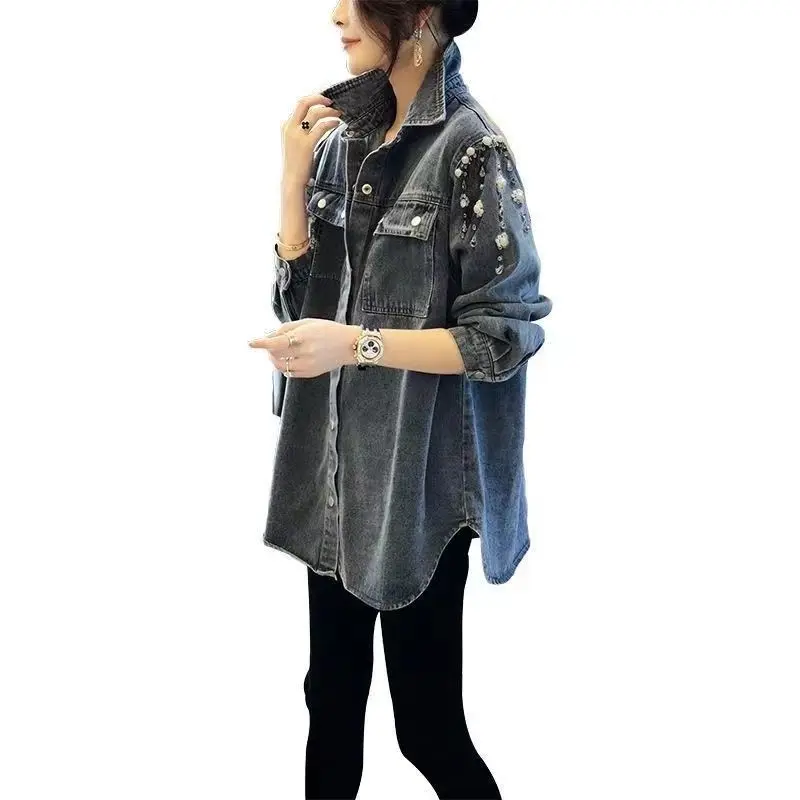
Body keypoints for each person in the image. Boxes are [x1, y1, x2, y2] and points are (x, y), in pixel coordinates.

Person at [248, 1, 552, 797]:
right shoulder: (339, 141)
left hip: (419, 489)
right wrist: (291, 181)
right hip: (335, 475)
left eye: (357, 1)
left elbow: (501, 338)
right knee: (329, 700)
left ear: (417, 13)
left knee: (426, 729)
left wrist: (356, 344)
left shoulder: (471, 151)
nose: (336, 15)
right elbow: (299, 310)